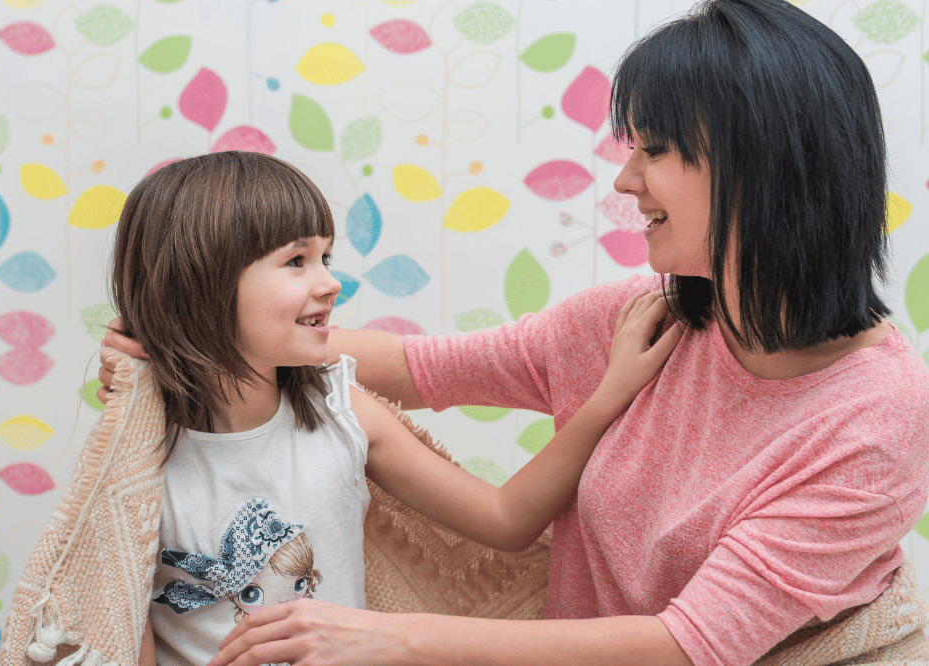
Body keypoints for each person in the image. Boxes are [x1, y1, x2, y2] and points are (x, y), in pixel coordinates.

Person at [101, 1, 929, 664]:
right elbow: (418, 367)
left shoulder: (873, 413)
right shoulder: (636, 323)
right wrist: (196, 335)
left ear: (760, 167)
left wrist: (391, 640)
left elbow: (691, 644)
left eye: (656, 149)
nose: (625, 176)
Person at [102, 150, 682, 666]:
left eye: (326, 257)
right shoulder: (133, 458)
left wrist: (608, 396)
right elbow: (119, 632)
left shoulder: (340, 413)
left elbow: (508, 520)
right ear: (203, 284)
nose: (331, 284)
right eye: (297, 261)